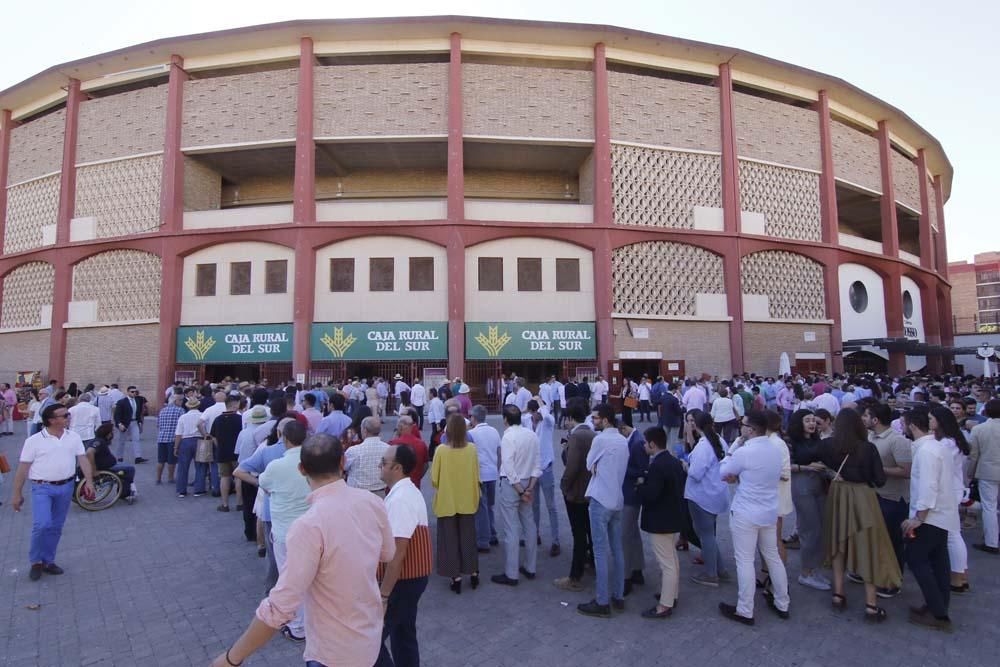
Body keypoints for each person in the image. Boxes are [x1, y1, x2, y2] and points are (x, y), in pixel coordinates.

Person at [211, 434, 395, 667]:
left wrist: (231, 658)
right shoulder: (372, 502)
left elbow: (280, 606)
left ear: (302, 469)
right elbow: (387, 554)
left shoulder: (308, 526)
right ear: (341, 463)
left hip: (333, 651)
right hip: (369, 633)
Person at [802, 408, 900, 622]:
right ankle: (871, 604)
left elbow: (807, 453)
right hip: (861, 495)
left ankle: (838, 593)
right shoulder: (867, 448)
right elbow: (879, 479)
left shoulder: (828, 445)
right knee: (869, 545)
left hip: (838, 494)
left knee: (838, 542)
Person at [718, 410, 790, 625]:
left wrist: (732, 449)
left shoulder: (745, 452)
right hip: (768, 510)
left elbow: (724, 471)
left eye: (744, 425)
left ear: (750, 429)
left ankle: (745, 608)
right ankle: (782, 602)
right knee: (772, 557)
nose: (741, 427)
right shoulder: (775, 449)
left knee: (745, 560)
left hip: (746, 511)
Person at [10, 403, 95, 581]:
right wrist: (17, 494)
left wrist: (89, 481)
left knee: (56, 527)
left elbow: (83, 460)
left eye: (68, 415)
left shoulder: (74, 437)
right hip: (42, 488)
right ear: (51, 420)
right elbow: (22, 469)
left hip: (66, 487)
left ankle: (48, 561)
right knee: (42, 525)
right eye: (64, 415)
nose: (68, 418)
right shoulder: (33, 441)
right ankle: (35, 562)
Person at [377, 445, 433, 667]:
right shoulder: (404, 492)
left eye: (383, 462)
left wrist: (383, 595)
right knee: (403, 634)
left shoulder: (400, 499)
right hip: (411, 578)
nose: (379, 466)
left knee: (370, 642)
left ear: (397, 467)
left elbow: (398, 552)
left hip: (404, 580)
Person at [902, 407, 957, 632]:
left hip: (930, 517)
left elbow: (928, 486)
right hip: (941, 514)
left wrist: (918, 518)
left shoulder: (926, 451)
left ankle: (938, 612)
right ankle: (938, 607)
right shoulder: (937, 447)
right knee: (939, 563)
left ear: (912, 425)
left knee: (916, 559)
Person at [257, 420, 310, 643]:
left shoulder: (276, 466)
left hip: (285, 531)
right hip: (311, 529)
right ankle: (310, 620)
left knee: (290, 579)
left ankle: (297, 626)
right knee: (311, 577)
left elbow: (264, 484)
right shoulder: (313, 462)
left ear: (284, 438)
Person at [577, 404, 629, 618]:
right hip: (617, 498)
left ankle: (602, 600)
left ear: (605, 419)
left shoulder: (600, 440)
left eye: (596, 418)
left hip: (600, 499)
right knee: (617, 549)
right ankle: (618, 595)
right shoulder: (623, 441)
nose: (594, 421)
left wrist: (596, 466)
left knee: (599, 551)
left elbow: (589, 463)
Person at [635, 426, 687, 618]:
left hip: (661, 520)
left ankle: (665, 605)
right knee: (671, 559)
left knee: (666, 563)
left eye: (645, 442)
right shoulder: (672, 461)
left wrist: (640, 487)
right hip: (672, 517)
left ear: (652, 444)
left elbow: (652, 494)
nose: (643, 445)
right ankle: (671, 593)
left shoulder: (658, 465)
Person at [862, 401, 912, 596]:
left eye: (866, 415)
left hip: (893, 498)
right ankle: (874, 572)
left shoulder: (897, 441)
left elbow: (905, 470)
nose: (863, 419)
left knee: (892, 541)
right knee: (875, 538)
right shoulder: (870, 437)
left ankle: (893, 580)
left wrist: (878, 470)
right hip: (874, 494)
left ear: (875, 419)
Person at [431, 413, 481, 594]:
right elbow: (476, 474)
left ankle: (455, 576)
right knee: (468, 537)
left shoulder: (441, 451)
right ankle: (473, 571)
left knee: (448, 539)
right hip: (467, 498)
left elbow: (434, 479)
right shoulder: (472, 449)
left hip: (448, 499)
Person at [493, 405, 541, 587]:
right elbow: (538, 463)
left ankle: (511, 572)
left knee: (511, 528)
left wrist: (520, 489)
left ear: (505, 419)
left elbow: (508, 466)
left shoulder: (508, 437)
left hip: (512, 484)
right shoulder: (532, 435)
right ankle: (531, 566)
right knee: (529, 525)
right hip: (529, 481)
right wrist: (529, 488)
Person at [684, 410, 731, 586]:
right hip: (716, 493)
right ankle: (719, 568)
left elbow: (695, 473)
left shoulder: (703, 446)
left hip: (702, 496)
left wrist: (684, 466)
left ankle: (711, 574)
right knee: (709, 534)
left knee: (705, 535)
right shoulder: (719, 440)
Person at [554, 397, 595, 592]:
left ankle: (575, 576)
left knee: (578, 533)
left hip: (576, 491)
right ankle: (591, 562)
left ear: (571, 418)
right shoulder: (592, 434)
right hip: (589, 490)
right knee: (589, 529)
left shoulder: (577, 437)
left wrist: (564, 485)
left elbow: (572, 466)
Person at [786, 408, 830, 591]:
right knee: (809, 528)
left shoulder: (816, 440)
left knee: (821, 527)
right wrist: (807, 467)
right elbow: (785, 465)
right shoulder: (791, 441)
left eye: (813, 420)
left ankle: (815, 568)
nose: (812, 423)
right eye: (807, 420)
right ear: (799, 423)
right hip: (802, 484)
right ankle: (806, 572)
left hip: (819, 483)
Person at [929, 406, 971, 594]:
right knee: (953, 534)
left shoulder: (946, 443)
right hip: (953, 489)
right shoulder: (954, 440)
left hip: (948, 491)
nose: (929, 422)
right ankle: (960, 575)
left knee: (952, 535)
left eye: (931, 419)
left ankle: (957, 577)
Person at [524, 399, 561, 557]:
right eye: (535, 413)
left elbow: (548, 416)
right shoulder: (526, 420)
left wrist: (542, 406)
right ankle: (535, 534)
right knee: (534, 505)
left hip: (545, 467)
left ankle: (555, 540)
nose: (537, 416)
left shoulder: (547, 423)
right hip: (532, 468)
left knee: (551, 505)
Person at [619, 418, 648, 593]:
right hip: (630, 493)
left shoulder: (637, 443)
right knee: (632, 533)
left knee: (625, 536)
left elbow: (642, 470)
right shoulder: (635, 440)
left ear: (623, 429)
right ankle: (637, 569)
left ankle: (626, 576)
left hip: (631, 494)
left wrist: (622, 467)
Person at [968, 399, 1000, 554]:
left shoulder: (979, 429)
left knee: (989, 508)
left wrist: (970, 474)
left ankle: (991, 542)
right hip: (989, 471)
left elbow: (974, 455)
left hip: (988, 471)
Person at [469, 405, 501, 552]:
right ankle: (492, 533)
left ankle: (483, 540)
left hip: (480, 473)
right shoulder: (494, 431)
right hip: (493, 472)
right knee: (489, 505)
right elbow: (499, 452)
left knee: (480, 507)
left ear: (474, 418)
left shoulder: (472, 434)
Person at [85, 422, 136, 503]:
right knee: (130, 469)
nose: (113, 434)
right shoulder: (99, 442)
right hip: (107, 467)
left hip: (108, 464)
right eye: (112, 432)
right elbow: (89, 453)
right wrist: (94, 471)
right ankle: (125, 493)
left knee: (125, 467)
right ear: (108, 434)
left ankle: (125, 487)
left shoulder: (97, 440)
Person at [210, 395, 243, 512]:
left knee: (224, 477)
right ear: (235, 404)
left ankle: (225, 504)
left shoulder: (218, 419)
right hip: (237, 453)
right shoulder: (240, 419)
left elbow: (213, 436)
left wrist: (219, 446)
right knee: (238, 477)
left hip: (222, 452)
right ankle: (239, 503)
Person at [344, 416, 390, 496]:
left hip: (357, 494)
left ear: (365, 430)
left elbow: (343, 467)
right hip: (380, 493)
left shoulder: (353, 451)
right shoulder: (388, 449)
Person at [173, 397, 207, 498]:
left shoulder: (183, 417)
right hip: (200, 440)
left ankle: (182, 490)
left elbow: (178, 434)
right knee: (200, 465)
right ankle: (199, 489)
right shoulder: (202, 415)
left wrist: (176, 447)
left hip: (186, 441)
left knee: (183, 466)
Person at [388, 415, 429, 488]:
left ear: (400, 427)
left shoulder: (392, 444)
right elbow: (425, 465)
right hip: (414, 484)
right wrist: (417, 477)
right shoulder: (421, 444)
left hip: (395, 486)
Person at [155, 395, 184, 485]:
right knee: (172, 460)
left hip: (161, 438)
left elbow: (158, 424)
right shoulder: (180, 410)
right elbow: (182, 425)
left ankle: (158, 478)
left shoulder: (162, 410)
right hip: (173, 438)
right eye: (180, 400)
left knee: (161, 460)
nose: (181, 402)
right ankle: (170, 478)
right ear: (175, 401)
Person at [113, 386, 147, 463]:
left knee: (136, 439)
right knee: (121, 441)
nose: (134, 393)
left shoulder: (138, 401)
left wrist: (140, 423)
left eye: (135, 391)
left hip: (134, 422)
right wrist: (119, 424)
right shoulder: (122, 402)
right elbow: (117, 415)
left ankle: (138, 457)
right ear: (128, 392)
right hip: (125, 423)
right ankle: (119, 457)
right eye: (132, 391)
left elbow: (139, 413)